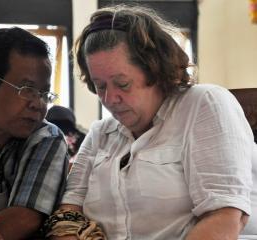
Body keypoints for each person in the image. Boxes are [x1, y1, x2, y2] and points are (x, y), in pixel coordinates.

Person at [44, 5, 257, 240]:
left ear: (156, 70)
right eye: (100, 86)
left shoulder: (203, 105)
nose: (109, 99)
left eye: (122, 84)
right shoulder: (100, 133)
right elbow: (69, 209)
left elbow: (225, 217)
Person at [0, 27, 69, 240]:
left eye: (45, 94)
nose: (38, 104)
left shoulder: (46, 138)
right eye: (27, 89)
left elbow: (24, 219)